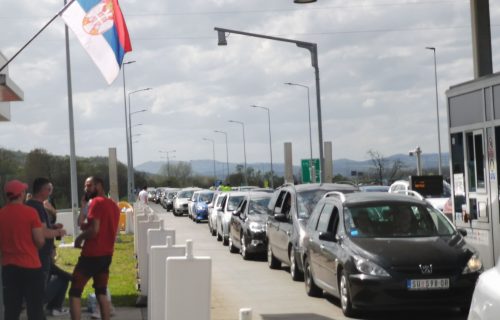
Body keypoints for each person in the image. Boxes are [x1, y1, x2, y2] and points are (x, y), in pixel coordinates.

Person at [69, 177, 120, 320]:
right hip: (106, 255)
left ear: (99, 186)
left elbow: (95, 230)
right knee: (101, 293)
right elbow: (97, 226)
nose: (86, 189)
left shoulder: (96, 202)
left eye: (89, 186)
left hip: (91, 254)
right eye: (85, 186)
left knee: (75, 291)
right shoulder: (113, 206)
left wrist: (79, 239)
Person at [0, 179, 45, 320]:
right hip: (31, 265)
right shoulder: (31, 212)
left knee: (12, 309)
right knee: (35, 309)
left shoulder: (1, 214)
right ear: (21, 194)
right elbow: (40, 240)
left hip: (9, 267)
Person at [26, 178, 67, 304]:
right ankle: (39, 307)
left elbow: (37, 228)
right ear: (42, 190)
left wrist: (53, 227)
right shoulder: (38, 207)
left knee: (49, 279)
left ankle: (50, 307)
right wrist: (58, 232)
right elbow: (43, 233)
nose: (50, 193)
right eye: (49, 190)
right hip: (41, 253)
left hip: (36, 253)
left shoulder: (29, 205)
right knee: (45, 283)